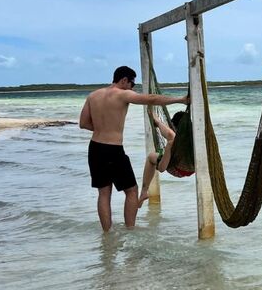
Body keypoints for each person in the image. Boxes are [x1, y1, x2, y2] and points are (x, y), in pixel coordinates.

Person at [79, 65, 188, 232]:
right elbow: (151, 99)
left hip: (95, 148)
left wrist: (103, 127)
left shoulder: (93, 96)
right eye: (132, 84)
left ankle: (107, 234)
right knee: (131, 191)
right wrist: (180, 100)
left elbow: (84, 124)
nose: (132, 88)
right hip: (113, 150)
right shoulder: (123, 94)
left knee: (104, 193)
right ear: (124, 80)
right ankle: (130, 230)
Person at [139, 108, 175, 204]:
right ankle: (144, 192)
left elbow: (162, 168)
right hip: (184, 165)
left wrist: (158, 122)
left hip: (173, 164)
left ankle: (144, 191)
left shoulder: (173, 142)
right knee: (151, 157)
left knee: (152, 157)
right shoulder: (187, 143)